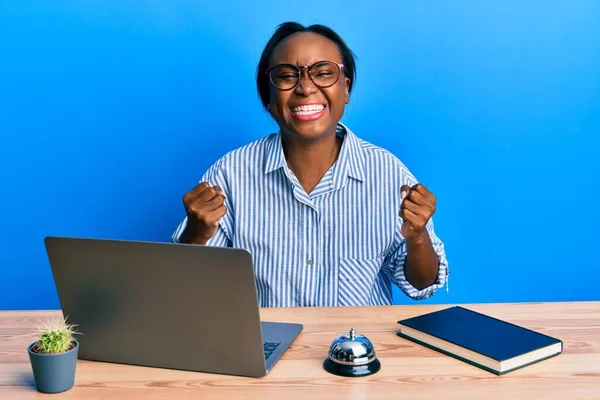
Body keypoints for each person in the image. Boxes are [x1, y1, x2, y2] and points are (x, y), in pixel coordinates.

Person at [171, 22, 449, 307]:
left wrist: (417, 236)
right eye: (287, 76)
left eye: (324, 73)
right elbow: (189, 289)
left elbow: (423, 283)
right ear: (268, 97)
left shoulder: (388, 173)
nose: (305, 87)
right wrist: (196, 233)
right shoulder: (230, 175)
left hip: (356, 347)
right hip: (264, 349)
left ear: (346, 89)